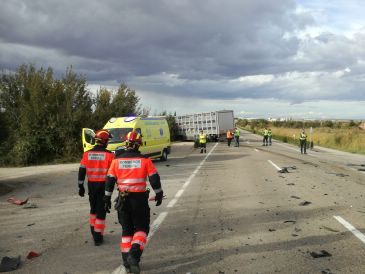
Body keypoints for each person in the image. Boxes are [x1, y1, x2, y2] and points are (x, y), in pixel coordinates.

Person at [104, 130, 164, 274]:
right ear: (138, 145)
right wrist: (159, 193)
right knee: (142, 229)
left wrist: (106, 198)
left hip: (123, 200)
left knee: (126, 230)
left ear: (126, 144)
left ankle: (126, 261)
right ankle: (134, 256)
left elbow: (109, 181)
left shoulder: (116, 161)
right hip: (139, 200)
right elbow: (154, 178)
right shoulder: (145, 160)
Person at [78, 129, 114, 246]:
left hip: (91, 185)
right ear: (104, 142)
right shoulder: (109, 155)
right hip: (103, 185)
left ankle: (94, 232)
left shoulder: (87, 154)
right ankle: (98, 237)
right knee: (101, 211)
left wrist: (80, 186)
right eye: (107, 140)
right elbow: (113, 174)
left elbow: (82, 170)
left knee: (93, 209)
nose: (108, 142)